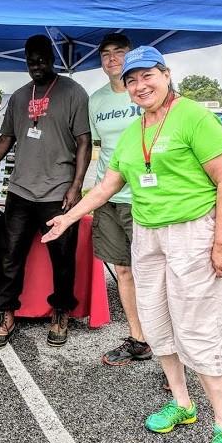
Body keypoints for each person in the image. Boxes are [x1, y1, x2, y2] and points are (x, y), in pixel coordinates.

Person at [42, 46, 222, 443]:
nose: (139, 86)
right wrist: (67, 219)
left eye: (146, 76)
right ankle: (181, 403)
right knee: (156, 323)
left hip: (194, 231)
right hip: (148, 234)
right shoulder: (135, 131)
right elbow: (104, 189)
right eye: (131, 80)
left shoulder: (193, 116)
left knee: (199, 328)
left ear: (166, 74)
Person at [0, 34, 91, 349]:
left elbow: (84, 141)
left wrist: (76, 186)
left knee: (62, 258)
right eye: (31, 62)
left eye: (42, 60)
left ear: (52, 58)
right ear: (26, 61)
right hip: (20, 191)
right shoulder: (18, 97)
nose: (37, 66)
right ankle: (6, 315)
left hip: (58, 192)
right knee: (9, 257)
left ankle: (60, 313)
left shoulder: (73, 92)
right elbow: (5, 139)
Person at [88, 33, 151, 366]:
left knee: (154, 272)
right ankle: (139, 338)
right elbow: (99, 148)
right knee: (123, 270)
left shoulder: (144, 95)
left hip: (144, 198)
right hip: (108, 198)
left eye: (119, 53)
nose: (112, 58)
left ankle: (170, 342)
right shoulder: (96, 101)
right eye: (106, 54)